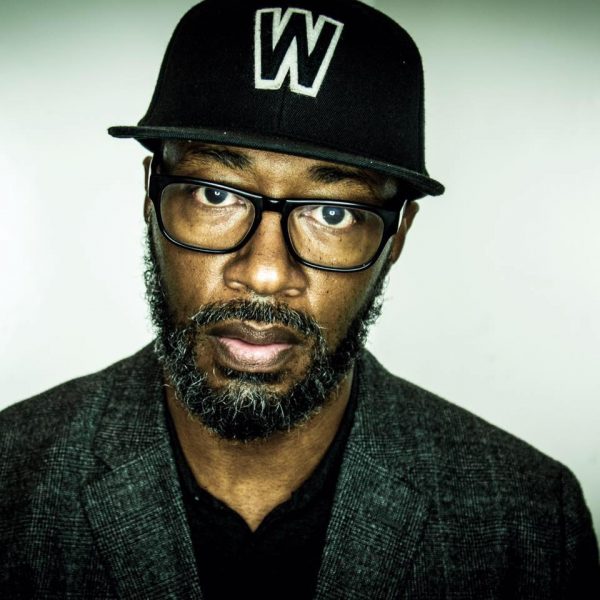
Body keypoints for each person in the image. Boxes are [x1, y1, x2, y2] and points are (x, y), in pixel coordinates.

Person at [1, 0, 598, 597]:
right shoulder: (11, 477)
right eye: (216, 194)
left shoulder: (530, 521)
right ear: (150, 195)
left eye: (332, 213)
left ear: (397, 236)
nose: (264, 273)